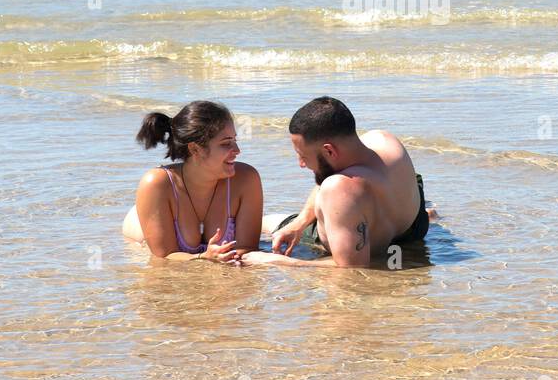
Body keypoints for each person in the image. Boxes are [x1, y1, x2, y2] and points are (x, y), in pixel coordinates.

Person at [250, 97, 431, 269]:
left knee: (265, 223)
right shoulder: (383, 139)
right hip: (413, 225)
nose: (301, 164)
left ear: (329, 151)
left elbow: (351, 268)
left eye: (303, 155)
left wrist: (276, 261)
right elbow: (333, 173)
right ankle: (430, 213)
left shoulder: (338, 189)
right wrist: (300, 222)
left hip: (364, 239)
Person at [122, 100, 262, 262]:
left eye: (235, 141)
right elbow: (164, 256)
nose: (237, 151)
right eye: (226, 143)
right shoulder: (157, 183)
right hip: (142, 223)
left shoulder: (246, 178)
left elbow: (248, 248)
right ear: (195, 149)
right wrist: (204, 257)